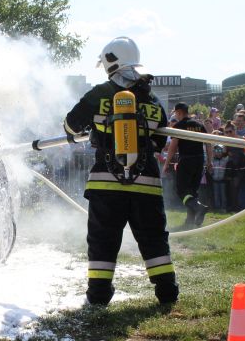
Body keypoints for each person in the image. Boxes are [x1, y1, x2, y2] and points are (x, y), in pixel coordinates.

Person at [63, 36, 178, 306]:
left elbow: (70, 125)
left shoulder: (99, 94)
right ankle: (167, 293)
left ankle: (99, 296)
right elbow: (160, 140)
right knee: (154, 240)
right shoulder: (151, 99)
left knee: (103, 240)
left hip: (106, 183)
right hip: (147, 183)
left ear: (109, 62)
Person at [163, 103, 209, 228]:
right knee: (192, 191)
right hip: (199, 161)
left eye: (175, 113)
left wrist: (166, 164)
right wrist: (209, 161)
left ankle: (198, 207)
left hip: (186, 160)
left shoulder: (179, 126)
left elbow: (173, 147)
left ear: (179, 112)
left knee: (181, 190)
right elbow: (209, 143)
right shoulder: (200, 125)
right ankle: (190, 221)